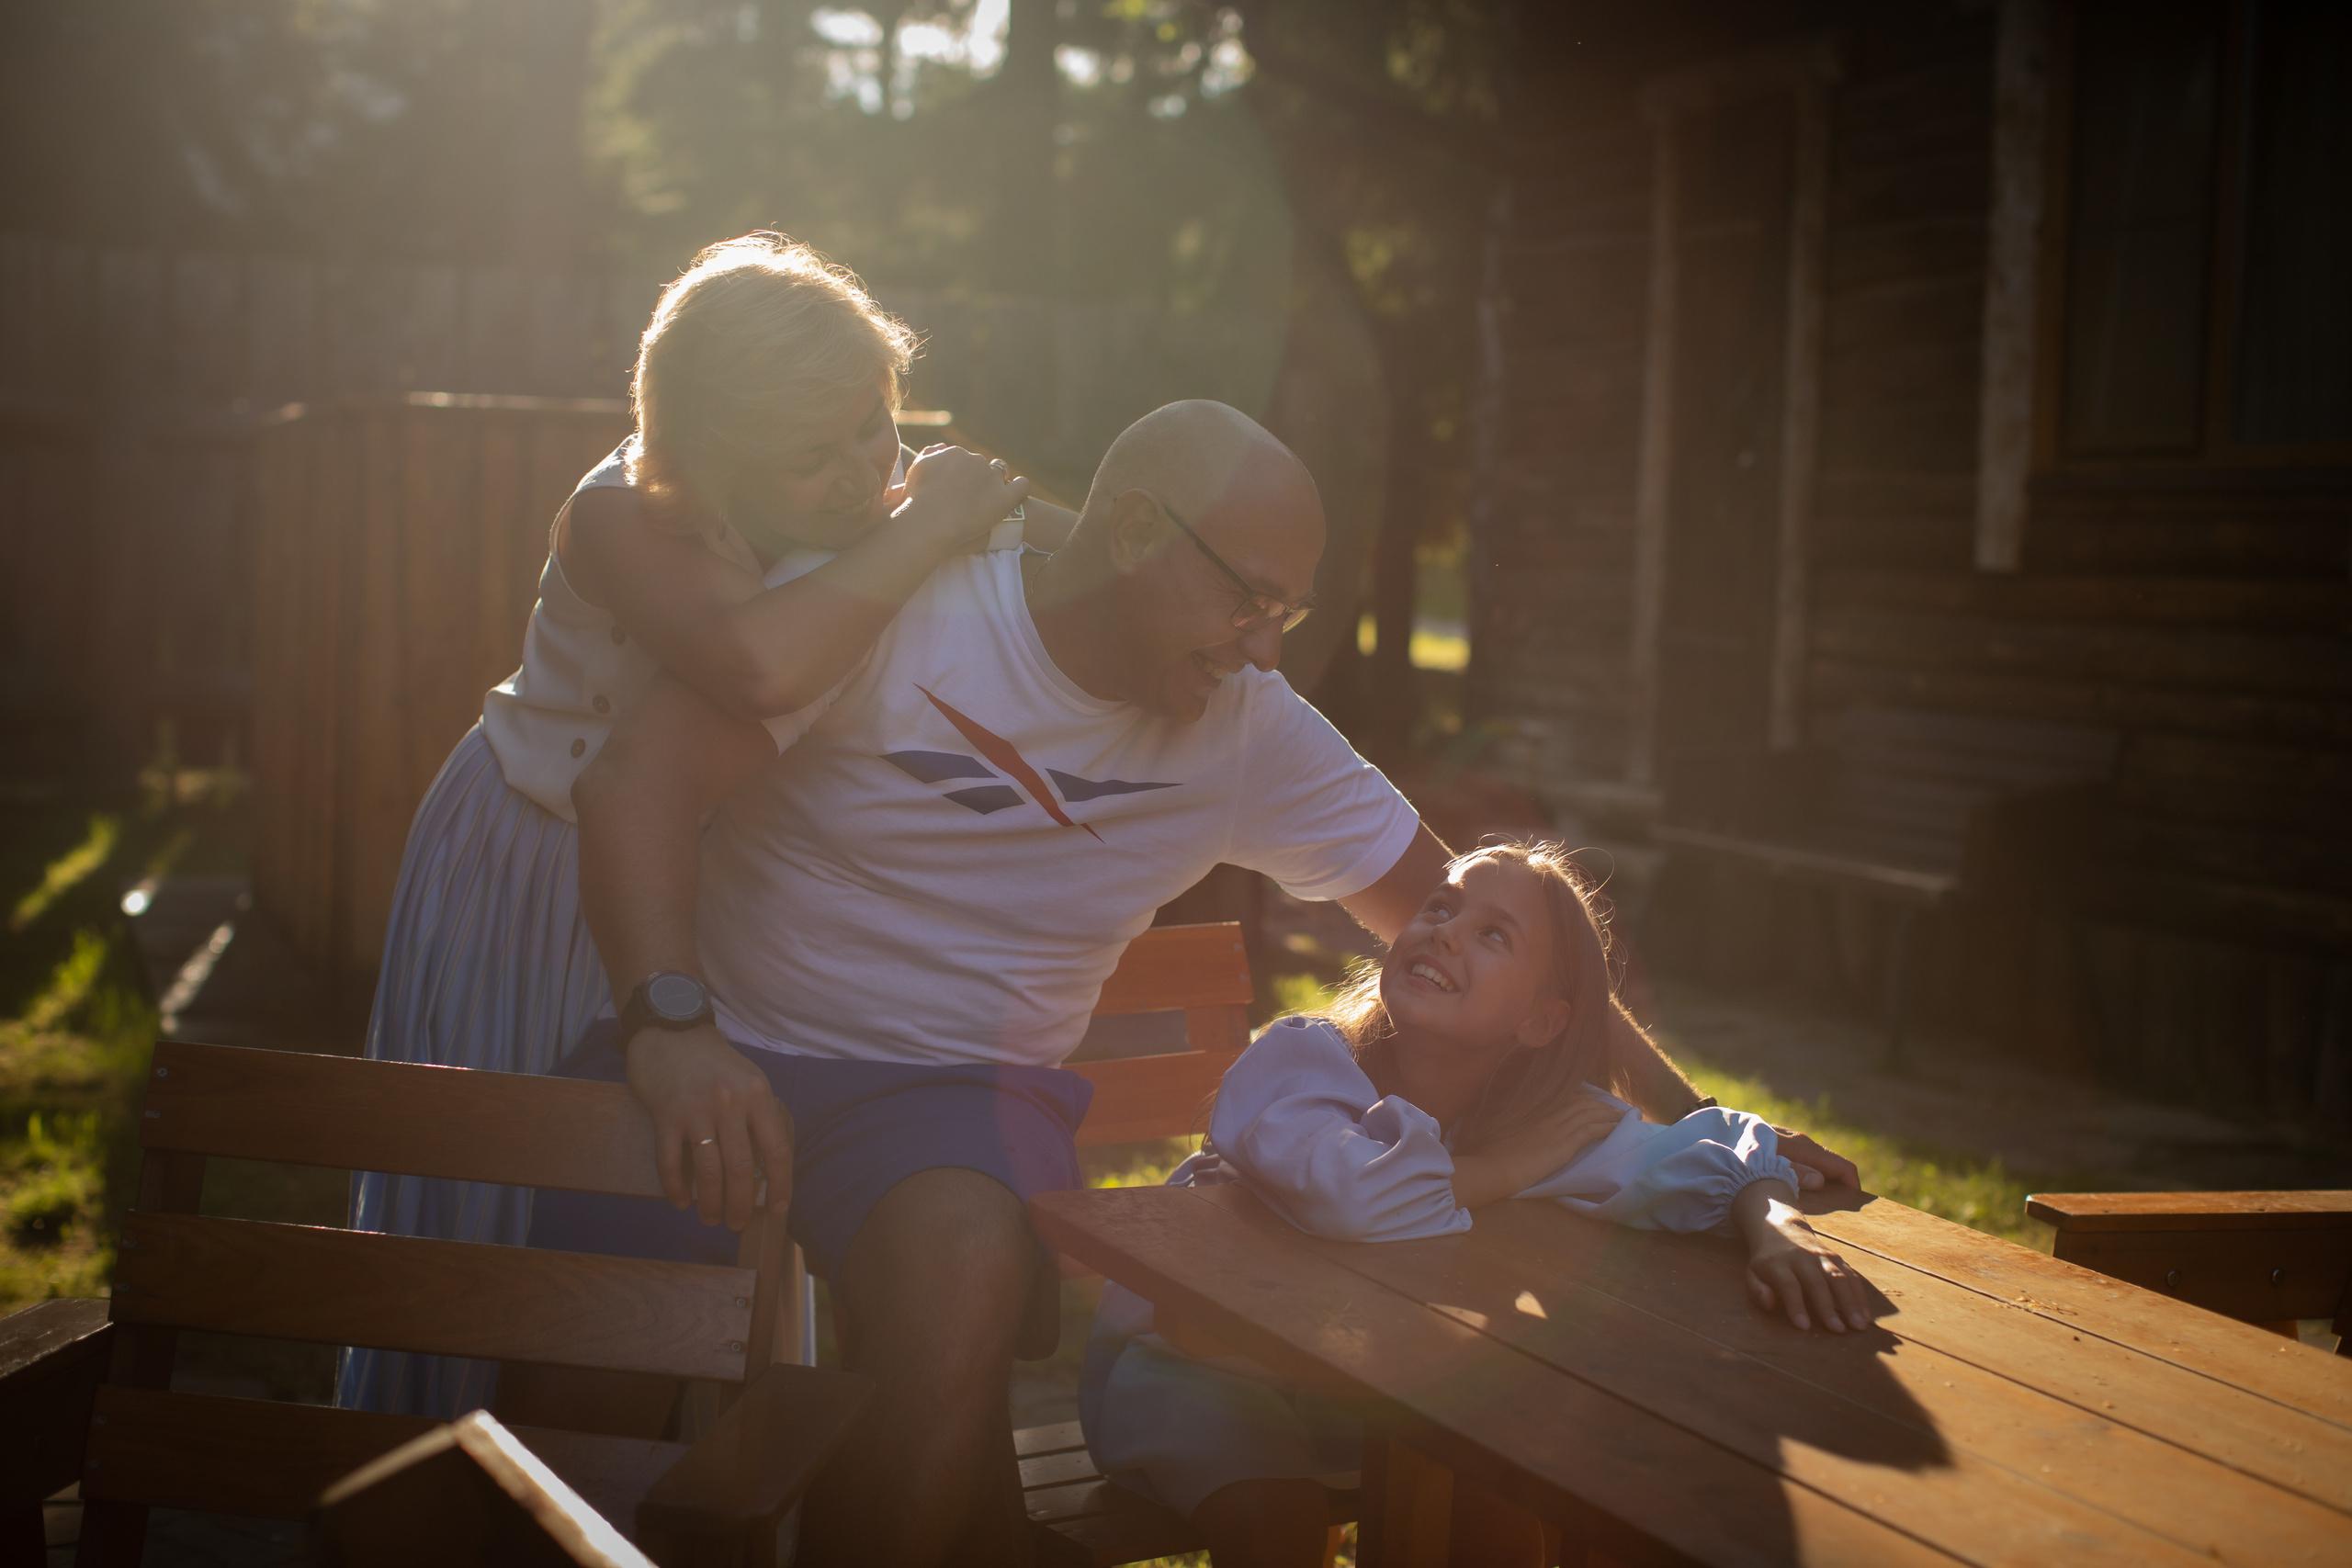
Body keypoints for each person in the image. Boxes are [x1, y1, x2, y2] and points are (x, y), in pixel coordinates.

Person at [525, 400, 1853, 1566]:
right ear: (1135, 527)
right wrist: (674, 1026)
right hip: (723, 1034)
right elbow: (637, 783)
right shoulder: (900, 600)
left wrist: (1689, 1114)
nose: (1264, 646)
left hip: (954, 1096)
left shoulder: (1248, 730)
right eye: (1247, 597)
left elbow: (1517, 940)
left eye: (1289, 611)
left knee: (964, 1260)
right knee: (591, 1365)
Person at [339, 231, 1051, 1418]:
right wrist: (922, 528)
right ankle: (446, 1475)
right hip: (534, 859)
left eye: (876, 426)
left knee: (689, 1191)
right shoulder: (622, 512)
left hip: (694, 879)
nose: (863, 469)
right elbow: (752, 664)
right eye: (812, 456)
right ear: (704, 463)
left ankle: (686, 1494)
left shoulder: (858, 485)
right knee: (512, 1196)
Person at [1080, 840, 1873, 1568]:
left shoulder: (1533, 1121)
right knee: (1278, 1525)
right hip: (1188, 1368)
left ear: (1542, 1020)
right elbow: (1352, 1195)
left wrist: (1777, 1225)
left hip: (1364, 1391)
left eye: (1495, 934)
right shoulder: (1302, 1062)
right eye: (1441, 906)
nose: (1448, 930)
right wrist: (1505, 1168)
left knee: (1528, 1487)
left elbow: (1710, 1146)